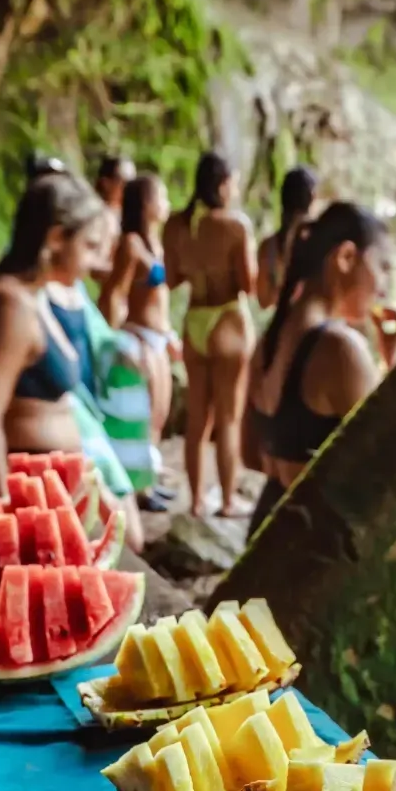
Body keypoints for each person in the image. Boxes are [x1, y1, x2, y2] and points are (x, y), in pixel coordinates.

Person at [0, 169, 143, 551]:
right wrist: (3, 512)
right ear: (56, 238)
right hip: (36, 490)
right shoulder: (10, 305)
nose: (95, 262)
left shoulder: (35, 295)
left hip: (65, 477)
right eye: (89, 246)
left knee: (128, 548)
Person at [246, 201, 396, 536]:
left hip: (265, 531)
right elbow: (389, 454)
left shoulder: (269, 339)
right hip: (309, 546)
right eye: (382, 266)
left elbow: (250, 454)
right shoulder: (339, 349)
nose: (383, 286)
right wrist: (395, 361)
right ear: (346, 258)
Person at [164, 151, 257, 517]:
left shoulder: (175, 226)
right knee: (229, 418)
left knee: (197, 417)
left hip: (194, 320)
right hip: (228, 320)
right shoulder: (235, 226)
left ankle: (197, 501)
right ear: (221, 184)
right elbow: (247, 284)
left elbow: (172, 279)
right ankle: (230, 501)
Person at [100, 173, 176, 442]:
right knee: (144, 414)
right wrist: (115, 339)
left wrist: (169, 335)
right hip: (139, 335)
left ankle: (149, 476)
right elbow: (113, 293)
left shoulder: (156, 242)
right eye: (162, 197)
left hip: (159, 335)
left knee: (160, 413)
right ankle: (139, 480)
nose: (167, 203)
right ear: (146, 203)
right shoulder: (131, 244)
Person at [256, 166, 318, 310]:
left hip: (281, 327)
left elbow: (263, 301)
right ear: (313, 197)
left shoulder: (268, 247)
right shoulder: (319, 244)